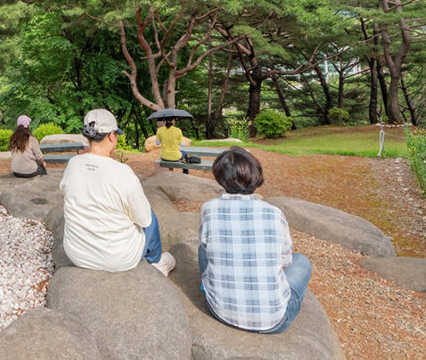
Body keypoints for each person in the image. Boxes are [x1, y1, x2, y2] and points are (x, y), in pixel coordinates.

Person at [199, 146, 311, 334]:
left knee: (203, 251)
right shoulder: (274, 213)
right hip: (273, 321)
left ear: (220, 177)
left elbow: (205, 244)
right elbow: (286, 259)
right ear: (255, 176)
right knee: (302, 261)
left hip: (218, 311)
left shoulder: (208, 209)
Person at [60, 108, 176, 276]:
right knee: (149, 215)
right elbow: (144, 220)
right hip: (118, 259)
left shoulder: (73, 164)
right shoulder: (122, 171)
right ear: (111, 136)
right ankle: (157, 262)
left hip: (77, 254)